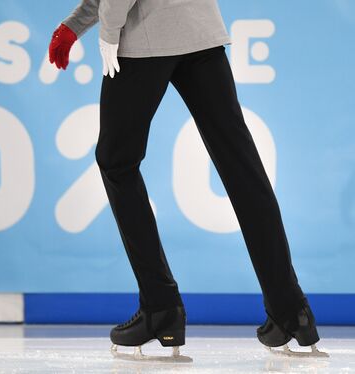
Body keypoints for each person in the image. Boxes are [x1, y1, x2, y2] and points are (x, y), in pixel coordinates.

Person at [48, 0, 326, 360]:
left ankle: (160, 307)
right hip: (200, 32)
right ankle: (292, 312)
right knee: (242, 167)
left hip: (145, 37)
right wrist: (75, 24)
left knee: (117, 162)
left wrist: (108, 30)